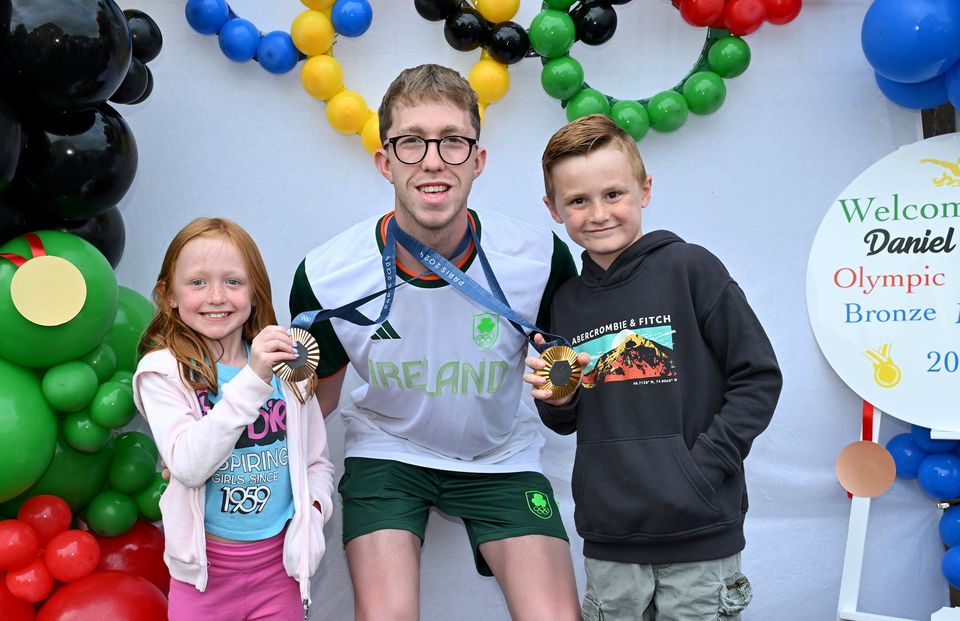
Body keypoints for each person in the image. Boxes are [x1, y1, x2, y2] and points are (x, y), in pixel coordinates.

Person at [289, 64, 581, 621]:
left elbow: (564, 386)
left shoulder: (540, 259)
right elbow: (314, 400)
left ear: (478, 159)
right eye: (411, 142)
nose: (432, 160)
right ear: (385, 161)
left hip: (502, 456)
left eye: (452, 141)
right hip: (389, 451)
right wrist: (232, 431)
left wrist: (565, 392)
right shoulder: (327, 273)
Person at [525, 114, 783, 621]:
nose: (598, 213)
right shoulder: (565, 302)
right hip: (610, 536)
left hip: (700, 531)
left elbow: (758, 376)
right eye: (578, 200)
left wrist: (702, 468)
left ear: (644, 190)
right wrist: (559, 398)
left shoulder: (691, 269)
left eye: (614, 194)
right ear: (554, 209)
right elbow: (563, 418)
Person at [133, 217, 336, 621]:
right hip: (204, 582)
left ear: (255, 293)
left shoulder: (287, 368)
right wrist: (254, 379)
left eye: (233, 282)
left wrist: (311, 517)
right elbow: (188, 466)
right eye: (197, 282)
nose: (216, 296)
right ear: (167, 294)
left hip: (280, 574)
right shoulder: (162, 373)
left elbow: (316, 462)